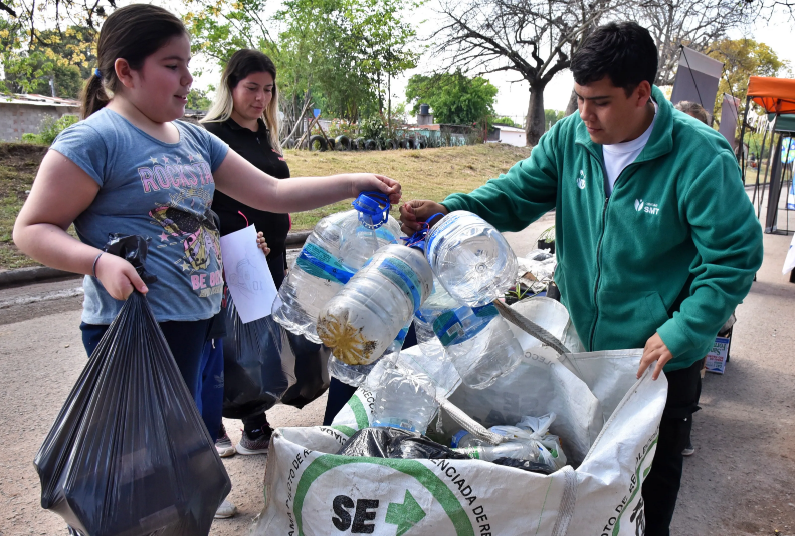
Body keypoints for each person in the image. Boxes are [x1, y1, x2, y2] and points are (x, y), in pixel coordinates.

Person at [12, 4, 400, 527]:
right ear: (125, 72)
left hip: (195, 321)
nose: (188, 78)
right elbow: (31, 230)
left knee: (171, 455)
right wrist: (99, 262)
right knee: (135, 462)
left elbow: (272, 191)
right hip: (132, 329)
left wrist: (354, 181)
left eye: (188, 64)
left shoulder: (192, 138)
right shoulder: (95, 140)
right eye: (172, 65)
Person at [400, 22, 762, 536]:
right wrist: (451, 210)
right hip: (579, 351)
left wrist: (684, 330)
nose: (585, 115)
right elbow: (517, 192)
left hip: (656, 360)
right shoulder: (572, 137)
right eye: (579, 99)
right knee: (584, 475)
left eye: (601, 102)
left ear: (642, 93)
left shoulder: (699, 157)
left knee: (646, 485)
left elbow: (733, 257)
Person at [199, 49, 294, 462]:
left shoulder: (265, 137)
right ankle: (214, 425)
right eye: (251, 88)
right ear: (230, 87)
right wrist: (234, 235)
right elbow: (202, 201)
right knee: (222, 342)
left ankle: (253, 423)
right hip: (230, 256)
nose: (260, 98)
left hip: (268, 259)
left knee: (259, 341)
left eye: (268, 90)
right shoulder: (210, 135)